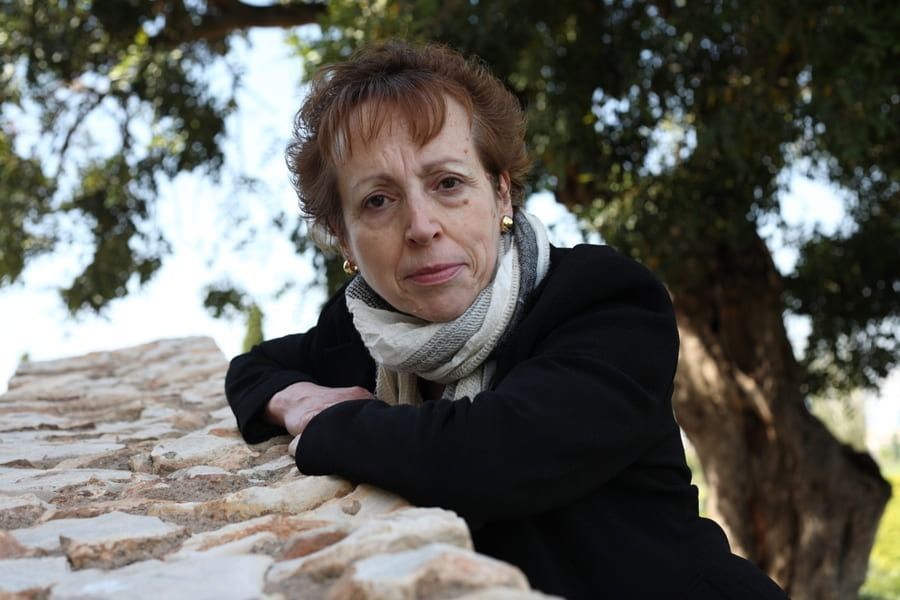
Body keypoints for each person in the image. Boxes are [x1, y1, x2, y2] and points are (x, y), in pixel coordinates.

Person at [225, 41, 788, 599]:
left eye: (447, 183)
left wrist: (334, 428)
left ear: (500, 194)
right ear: (344, 237)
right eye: (378, 200)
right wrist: (293, 400)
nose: (421, 226)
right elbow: (255, 369)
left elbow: (494, 458)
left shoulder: (604, 299)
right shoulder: (363, 327)